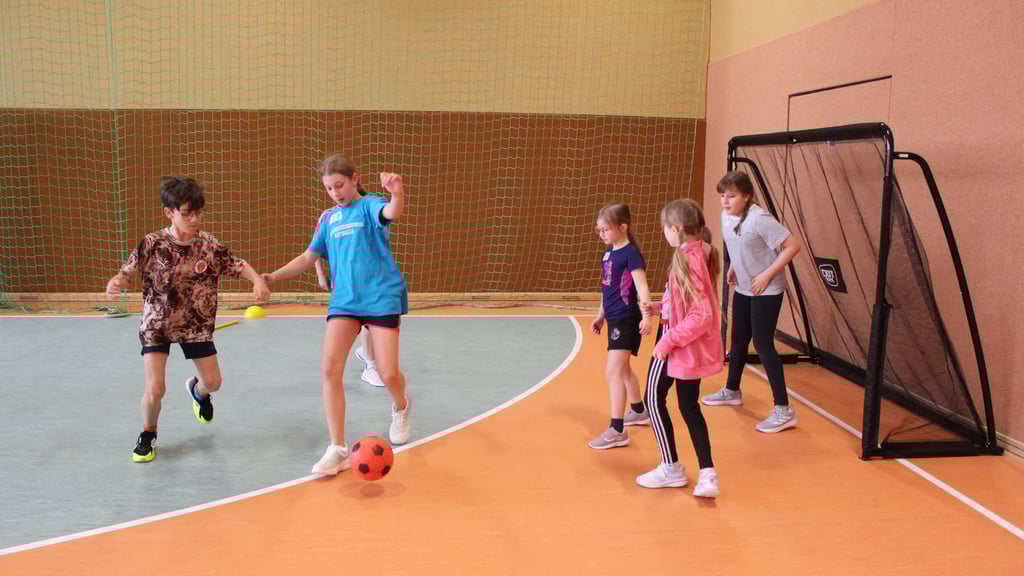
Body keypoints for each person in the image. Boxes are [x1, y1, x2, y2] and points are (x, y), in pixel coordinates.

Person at [263, 153, 410, 476]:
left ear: (355, 179)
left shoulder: (370, 205)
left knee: (387, 374)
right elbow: (307, 257)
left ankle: (400, 405)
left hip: (380, 297)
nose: (335, 193)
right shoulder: (329, 218)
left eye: (340, 185)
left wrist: (397, 192)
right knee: (330, 368)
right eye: (329, 189)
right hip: (344, 301)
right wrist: (273, 277)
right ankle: (337, 448)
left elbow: (390, 212)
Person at [105, 176, 270, 463]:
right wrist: (117, 281)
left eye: (198, 213)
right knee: (156, 388)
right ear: (169, 212)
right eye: (187, 213)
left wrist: (257, 281)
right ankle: (148, 433)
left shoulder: (209, 245)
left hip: (196, 326)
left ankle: (198, 391)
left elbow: (238, 265)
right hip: (157, 324)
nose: (194, 219)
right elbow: (127, 270)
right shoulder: (152, 243)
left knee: (214, 382)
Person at [701, 171, 802, 433]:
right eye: (722, 195)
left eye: (731, 196)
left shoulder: (760, 219)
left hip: (766, 289)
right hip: (745, 286)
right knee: (737, 340)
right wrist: (734, 266)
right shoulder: (726, 216)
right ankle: (732, 390)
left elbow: (793, 245)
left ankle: (784, 410)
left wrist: (767, 274)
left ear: (746, 197)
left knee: (763, 344)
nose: (725, 201)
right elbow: (738, 244)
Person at [637, 199, 722, 497]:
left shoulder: (688, 259)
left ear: (675, 229)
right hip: (686, 345)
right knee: (688, 405)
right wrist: (660, 306)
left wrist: (667, 340)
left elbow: (702, 315)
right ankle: (708, 474)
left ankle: (671, 467)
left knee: (652, 397)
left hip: (676, 344)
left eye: (664, 228)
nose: (664, 233)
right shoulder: (697, 252)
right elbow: (686, 304)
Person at [589, 202, 652, 450]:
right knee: (623, 369)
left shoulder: (630, 254)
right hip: (614, 317)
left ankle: (617, 430)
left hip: (627, 319)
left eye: (606, 229)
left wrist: (646, 316)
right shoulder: (607, 254)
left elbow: (642, 287)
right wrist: (600, 315)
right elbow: (608, 289)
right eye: (599, 230)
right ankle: (637, 410)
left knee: (612, 372)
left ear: (623, 227)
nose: (602, 234)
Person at [314, 211, 384, 388]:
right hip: (345, 285)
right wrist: (320, 274)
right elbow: (313, 249)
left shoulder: (366, 211)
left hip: (370, 280)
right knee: (364, 323)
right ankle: (371, 364)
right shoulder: (328, 217)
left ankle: (369, 358)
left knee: (373, 322)